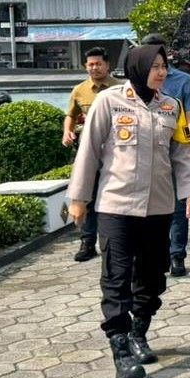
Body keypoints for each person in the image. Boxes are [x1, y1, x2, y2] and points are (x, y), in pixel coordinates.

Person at [67, 44, 190, 378]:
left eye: (164, 66)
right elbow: (88, 151)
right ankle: (121, 351)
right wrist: (79, 197)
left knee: (153, 278)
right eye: (155, 66)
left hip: (158, 208)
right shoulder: (109, 102)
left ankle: (139, 332)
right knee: (116, 277)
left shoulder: (172, 107)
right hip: (116, 207)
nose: (161, 72)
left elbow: (183, 154)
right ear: (138, 68)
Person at [150, 33, 190, 278]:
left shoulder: (182, 80)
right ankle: (156, 254)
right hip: (146, 156)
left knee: (180, 205)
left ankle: (177, 255)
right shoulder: (132, 83)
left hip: (175, 151)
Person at [63, 47, 119, 262]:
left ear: (107, 66)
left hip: (115, 151)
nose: (94, 68)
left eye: (98, 64)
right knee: (87, 195)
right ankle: (87, 243)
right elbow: (71, 115)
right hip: (88, 151)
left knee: (111, 196)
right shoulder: (79, 90)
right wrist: (67, 131)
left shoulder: (121, 89)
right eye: (90, 64)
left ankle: (113, 241)